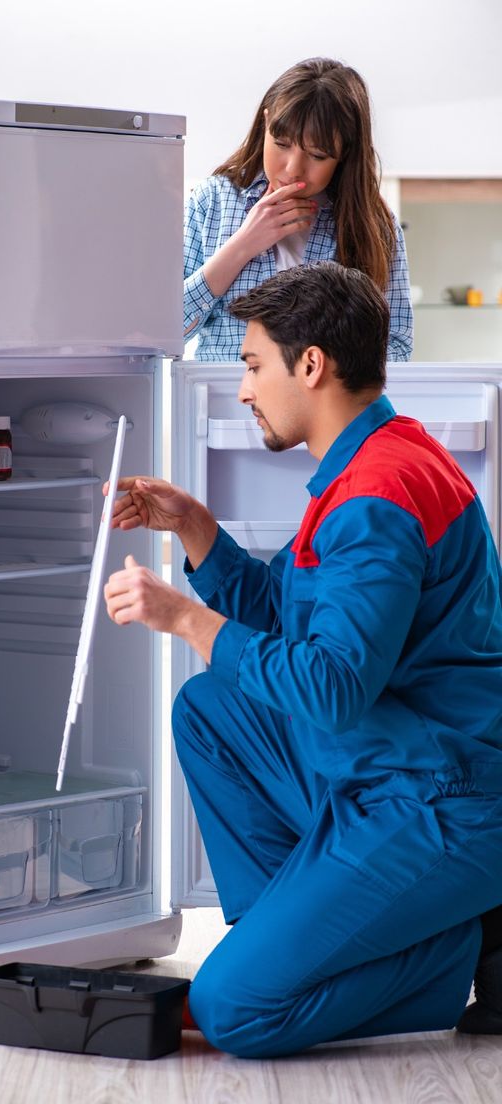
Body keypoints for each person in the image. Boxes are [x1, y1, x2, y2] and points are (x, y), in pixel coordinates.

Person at [103, 261, 502, 1058]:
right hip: (390, 764)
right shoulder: (374, 461)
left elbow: (332, 688)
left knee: (233, 1010)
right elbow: (290, 618)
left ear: (310, 365)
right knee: (211, 709)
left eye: (253, 365)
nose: (245, 388)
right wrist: (196, 530)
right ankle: (301, 940)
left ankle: (464, 945)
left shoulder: (376, 497)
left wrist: (188, 620)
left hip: (437, 798)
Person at [184, 57, 413, 363]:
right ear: (266, 123)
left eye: (317, 155)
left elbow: (396, 348)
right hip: (221, 407)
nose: (293, 169)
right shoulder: (211, 202)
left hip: (328, 412)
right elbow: (164, 333)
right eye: (281, 143)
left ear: (345, 153)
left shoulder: (374, 227)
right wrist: (243, 246)